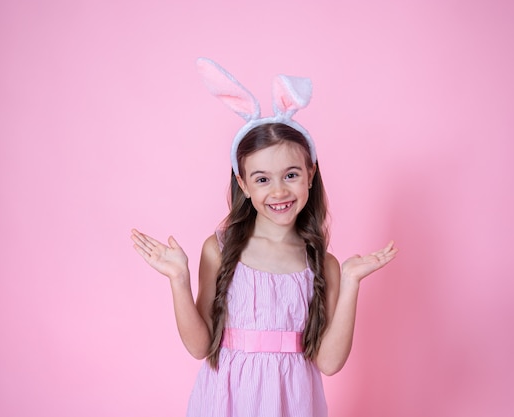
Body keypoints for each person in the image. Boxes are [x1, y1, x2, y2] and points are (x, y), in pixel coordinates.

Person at [131, 58, 398, 417]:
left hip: (293, 404)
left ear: (310, 174)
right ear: (242, 184)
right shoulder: (220, 250)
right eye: (261, 179)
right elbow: (199, 347)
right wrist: (179, 279)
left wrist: (350, 282)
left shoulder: (323, 264)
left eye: (290, 175)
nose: (278, 191)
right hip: (225, 403)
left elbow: (330, 363)